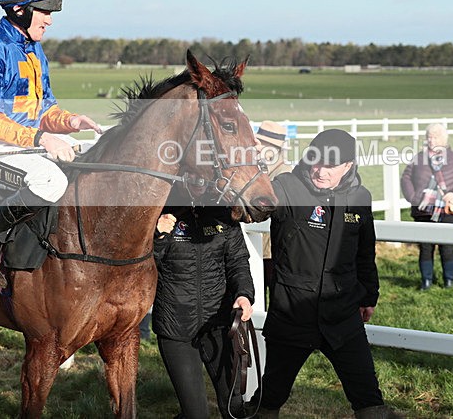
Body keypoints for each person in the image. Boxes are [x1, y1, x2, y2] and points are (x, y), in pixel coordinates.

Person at [0, 0, 102, 288]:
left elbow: (44, 108)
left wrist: (71, 122)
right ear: (19, 9)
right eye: (45, 10)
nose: (50, 19)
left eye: (54, 10)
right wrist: (40, 137)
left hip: (26, 145)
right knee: (49, 179)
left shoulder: (34, 50)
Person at [255, 129, 399, 419]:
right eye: (315, 162)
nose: (319, 171)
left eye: (329, 166)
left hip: (342, 314)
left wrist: (369, 296)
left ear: (348, 166)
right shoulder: (286, 187)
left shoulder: (360, 196)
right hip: (292, 312)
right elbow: (252, 210)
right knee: (270, 397)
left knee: (368, 397)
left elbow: (365, 252)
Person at [151, 186, 255, 419]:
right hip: (175, 326)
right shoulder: (161, 211)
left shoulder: (223, 214)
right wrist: (157, 236)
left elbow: (238, 262)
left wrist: (244, 295)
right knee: (196, 414)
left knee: (235, 408)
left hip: (219, 324)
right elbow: (144, 268)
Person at [401, 123, 453, 289]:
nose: (431, 140)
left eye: (435, 137)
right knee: (425, 246)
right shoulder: (419, 158)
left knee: (447, 246)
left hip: (446, 209)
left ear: (444, 139)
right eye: (429, 137)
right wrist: (413, 197)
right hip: (423, 210)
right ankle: (426, 281)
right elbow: (406, 178)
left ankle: (449, 280)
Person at [254, 120, 291, 301]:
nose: (262, 148)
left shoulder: (284, 172)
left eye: (268, 145)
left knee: (272, 287)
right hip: (258, 241)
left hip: (271, 244)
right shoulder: (257, 167)